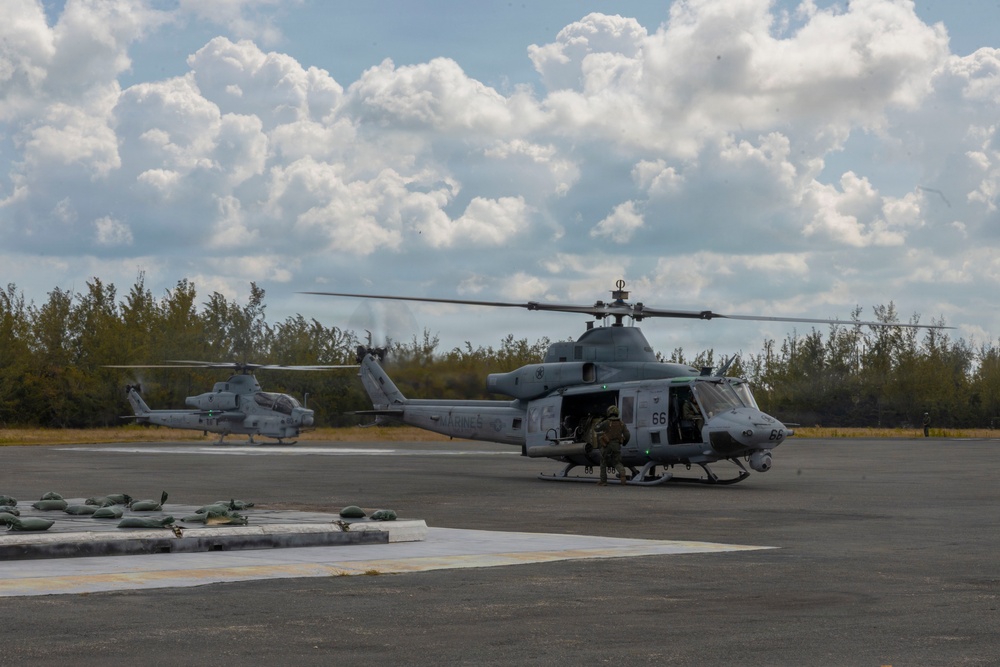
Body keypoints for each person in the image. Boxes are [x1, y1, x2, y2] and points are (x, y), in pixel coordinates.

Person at [595, 404, 630, 486]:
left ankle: (603, 481)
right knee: (617, 462)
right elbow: (627, 435)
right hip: (617, 446)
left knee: (603, 461)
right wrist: (624, 443)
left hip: (607, 445)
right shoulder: (621, 423)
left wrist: (600, 420)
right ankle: (622, 473)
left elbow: (596, 428)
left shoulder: (606, 422)